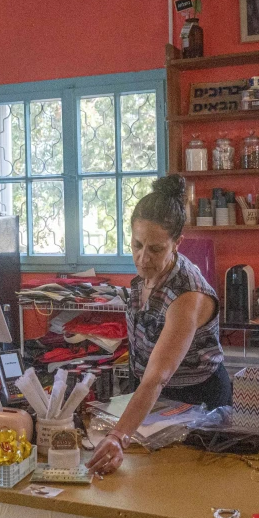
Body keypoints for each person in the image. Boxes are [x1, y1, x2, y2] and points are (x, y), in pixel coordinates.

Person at [86, 175, 230, 476]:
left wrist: (117, 436)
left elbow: (157, 377)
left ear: (177, 243)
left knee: (180, 486)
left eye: (155, 249)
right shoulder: (146, 277)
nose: (143, 257)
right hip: (153, 402)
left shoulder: (187, 294)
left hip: (198, 402)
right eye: (137, 245)